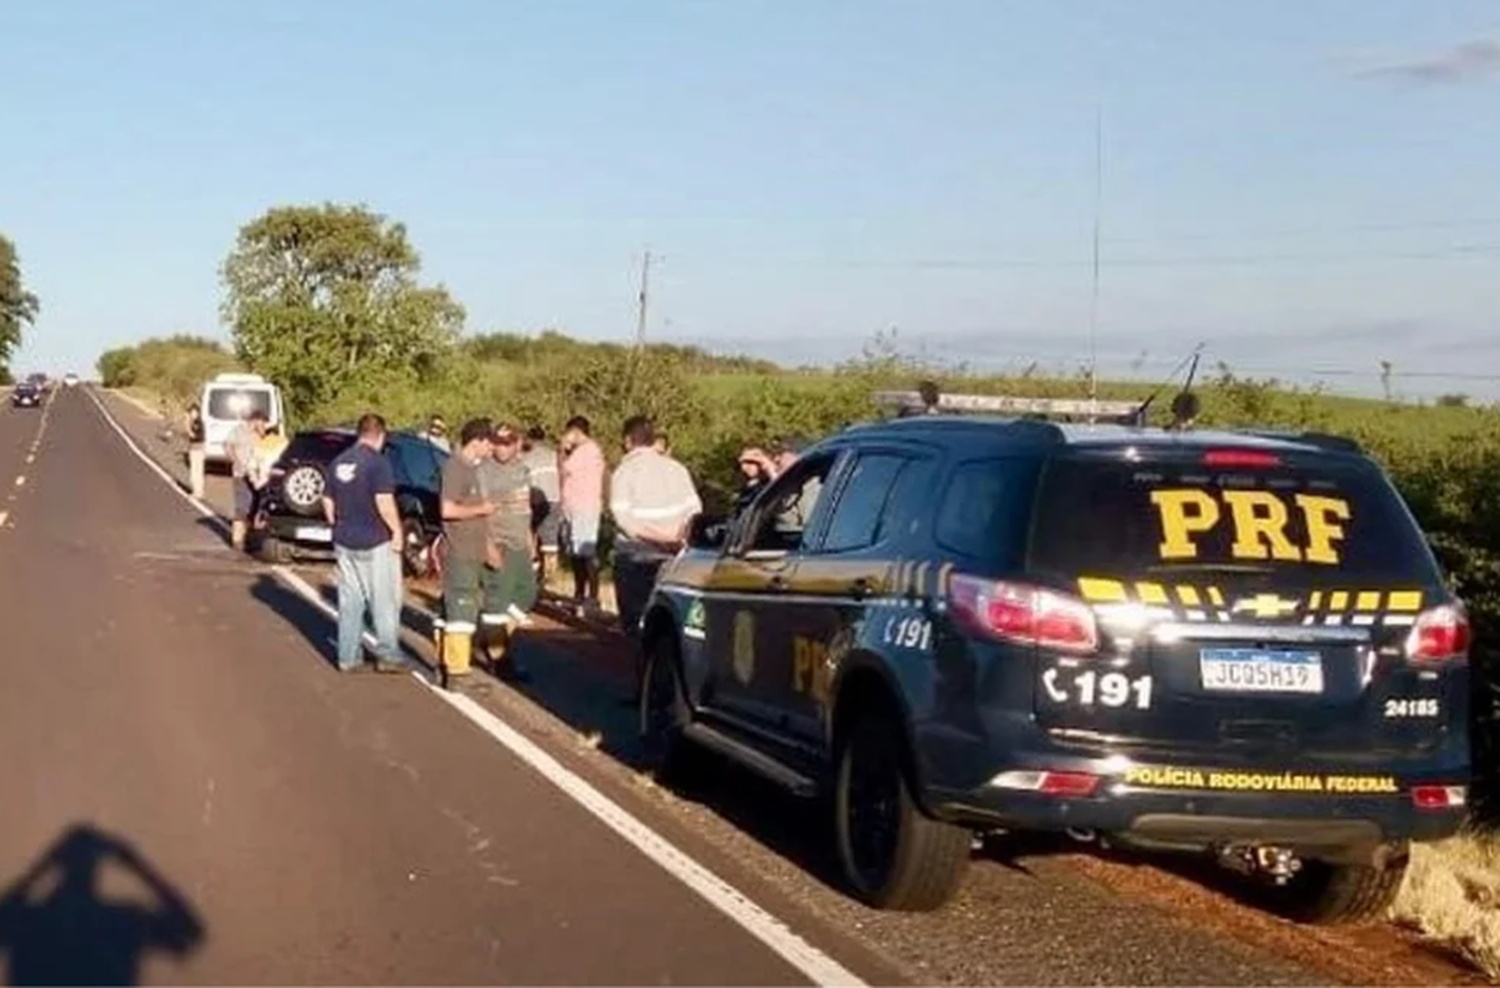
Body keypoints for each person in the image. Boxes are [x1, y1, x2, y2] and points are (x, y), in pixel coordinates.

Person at [609, 415, 702, 703]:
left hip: (636, 556)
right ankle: (669, 688)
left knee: (638, 624)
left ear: (627, 441)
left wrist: (654, 538)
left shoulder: (625, 472)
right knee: (669, 621)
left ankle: (643, 688)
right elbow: (694, 510)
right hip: (674, 557)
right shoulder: (677, 469)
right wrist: (677, 541)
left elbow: (623, 518)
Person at [321, 413, 408, 674]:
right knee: (384, 599)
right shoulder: (378, 463)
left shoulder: (339, 461)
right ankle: (388, 654)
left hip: (345, 539)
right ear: (380, 435)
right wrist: (397, 532)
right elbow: (384, 502)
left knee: (350, 601)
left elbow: (327, 500)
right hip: (375, 539)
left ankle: (348, 656)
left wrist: (336, 524)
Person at [476, 424, 539, 680]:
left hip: (519, 543)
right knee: (496, 603)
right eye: (498, 442)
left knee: (527, 593)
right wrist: (488, 545)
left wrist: (529, 539)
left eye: (507, 442)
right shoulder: (484, 472)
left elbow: (524, 509)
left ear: (517, 443)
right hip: (498, 541)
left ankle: (488, 640)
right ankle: (498, 657)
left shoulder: (522, 470)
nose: (502, 447)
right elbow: (478, 512)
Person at [437, 419, 498, 678]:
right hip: (460, 552)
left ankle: (445, 661)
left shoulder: (472, 469)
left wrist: (487, 547)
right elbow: (447, 509)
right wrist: (481, 509)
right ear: (478, 441)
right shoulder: (456, 468)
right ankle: (457, 671)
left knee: (453, 609)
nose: (492, 447)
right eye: (490, 442)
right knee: (461, 611)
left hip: (472, 551)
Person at [558, 415, 605, 618]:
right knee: (577, 554)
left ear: (575, 432)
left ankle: (592, 598)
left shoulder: (586, 450)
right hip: (576, 508)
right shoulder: (587, 451)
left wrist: (562, 450)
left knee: (586, 552)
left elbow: (564, 469)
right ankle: (580, 594)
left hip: (584, 508)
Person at [520, 425, 562, 585]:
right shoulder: (554, 455)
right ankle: (551, 573)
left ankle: (534, 568)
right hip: (556, 498)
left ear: (530, 439)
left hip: (537, 500)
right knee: (551, 539)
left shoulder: (528, 458)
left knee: (531, 532)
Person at [226, 409, 268, 553]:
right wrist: (236, 461)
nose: (263, 425)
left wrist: (262, 434)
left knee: (254, 507)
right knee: (242, 507)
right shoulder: (239, 430)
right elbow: (228, 446)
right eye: (262, 422)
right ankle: (237, 540)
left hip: (256, 477)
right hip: (241, 474)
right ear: (255, 420)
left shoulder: (260, 435)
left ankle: (249, 538)